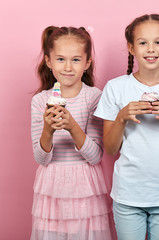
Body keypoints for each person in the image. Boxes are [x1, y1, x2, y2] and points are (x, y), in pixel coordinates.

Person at [94, 14, 159, 240]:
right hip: (128, 195)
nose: (151, 49)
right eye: (143, 42)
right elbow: (111, 150)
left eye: (158, 42)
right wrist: (122, 117)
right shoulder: (115, 88)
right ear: (131, 48)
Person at [30, 26, 115, 240]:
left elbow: (95, 156)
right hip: (52, 187)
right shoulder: (40, 101)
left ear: (87, 63)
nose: (68, 67)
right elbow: (41, 158)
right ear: (48, 61)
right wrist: (48, 131)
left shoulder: (94, 97)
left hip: (86, 188)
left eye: (76, 60)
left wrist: (72, 126)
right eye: (60, 59)